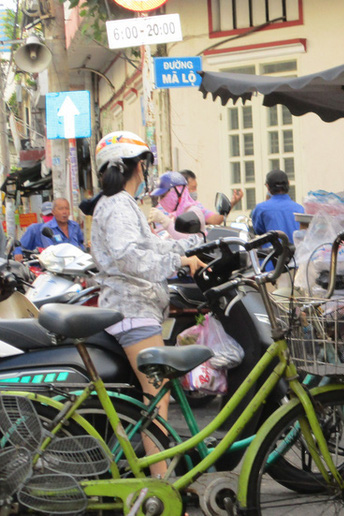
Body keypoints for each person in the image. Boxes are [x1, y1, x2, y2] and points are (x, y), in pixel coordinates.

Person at [90, 131, 205, 475]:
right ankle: (159, 478)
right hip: (132, 310)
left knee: (156, 393)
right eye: (146, 165)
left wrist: (189, 249)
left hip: (136, 308)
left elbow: (150, 247)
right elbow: (129, 257)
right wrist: (178, 263)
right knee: (157, 395)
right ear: (139, 166)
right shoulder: (117, 206)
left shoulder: (122, 205)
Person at [148, 171, 206, 239]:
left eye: (163, 196)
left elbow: (188, 242)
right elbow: (170, 242)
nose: (160, 201)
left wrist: (166, 223)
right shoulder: (175, 215)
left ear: (178, 191)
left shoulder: (193, 212)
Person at [252, 169, 304, 242]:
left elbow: (259, 231)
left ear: (267, 187)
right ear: (288, 184)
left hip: (272, 252)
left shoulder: (261, 208)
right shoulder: (300, 209)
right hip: (295, 252)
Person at [179, 169, 244, 225]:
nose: (195, 191)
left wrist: (232, 203)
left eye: (195, 188)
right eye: (193, 188)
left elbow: (215, 220)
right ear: (181, 188)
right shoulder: (170, 209)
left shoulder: (196, 207)